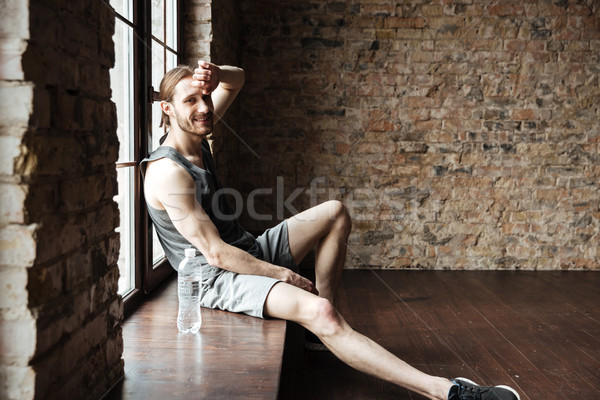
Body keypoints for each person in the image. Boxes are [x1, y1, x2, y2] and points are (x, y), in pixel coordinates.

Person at [140, 60, 521, 400]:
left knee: (334, 212)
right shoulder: (168, 171)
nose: (204, 108)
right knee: (322, 311)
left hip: (248, 250)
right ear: (167, 109)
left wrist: (217, 75)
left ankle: (318, 336)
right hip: (217, 279)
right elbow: (217, 255)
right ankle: (446, 392)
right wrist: (284, 274)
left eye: (205, 98)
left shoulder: (195, 129)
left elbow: (236, 82)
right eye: (191, 101)